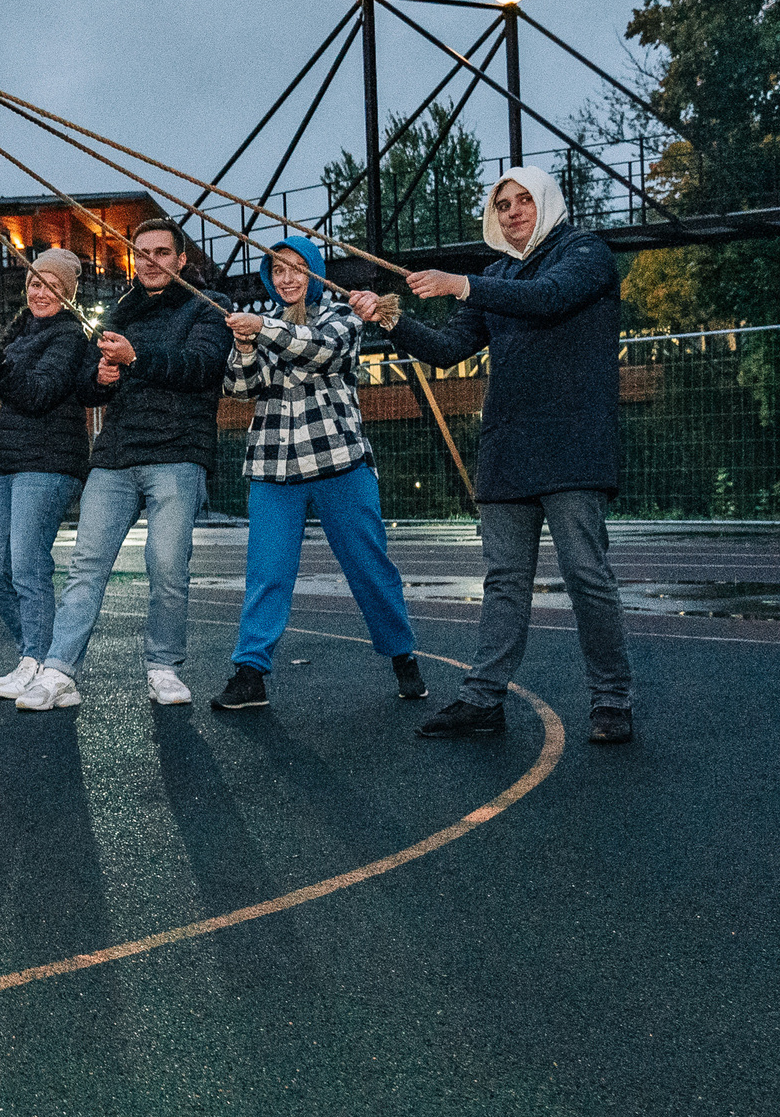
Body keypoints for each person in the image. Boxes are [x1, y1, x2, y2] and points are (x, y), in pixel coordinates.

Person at [352, 168, 634, 744]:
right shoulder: (497, 275)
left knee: (586, 575)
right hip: (508, 448)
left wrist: (460, 284)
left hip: (573, 444)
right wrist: (391, 319)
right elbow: (448, 350)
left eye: (524, 200)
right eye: (503, 205)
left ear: (547, 202)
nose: (513, 212)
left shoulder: (585, 253)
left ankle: (612, 700)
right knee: (504, 580)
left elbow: (549, 298)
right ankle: (483, 700)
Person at [20, 219, 231, 712]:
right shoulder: (121, 310)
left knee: (167, 566)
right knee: (85, 567)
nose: (151, 261)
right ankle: (59, 671)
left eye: (162, 252)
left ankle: (163, 668)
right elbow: (89, 390)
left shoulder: (208, 306)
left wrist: (136, 357)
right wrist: (101, 377)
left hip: (178, 453)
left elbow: (201, 368)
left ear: (182, 259)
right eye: (142, 253)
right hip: (116, 455)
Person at [214, 238, 427, 712]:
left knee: (369, 567)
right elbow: (239, 388)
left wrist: (262, 329)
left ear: (315, 273)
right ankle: (250, 672)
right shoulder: (264, 326)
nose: (287, 278)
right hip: (272, 467)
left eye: (297, 268)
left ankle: (402, 654)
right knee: (267, 573)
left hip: (339, 463)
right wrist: (244, 347)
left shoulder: (342, 317)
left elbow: (320, 351)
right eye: (278, 270)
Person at [0, 248, 94, 703]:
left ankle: (39, 660)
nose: (40, 293)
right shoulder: (21, 332)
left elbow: (40, 392)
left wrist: (4, 373)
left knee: (27, 566)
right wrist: (3, 379)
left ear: (68, 293)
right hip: (10, 462)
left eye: (52, 286)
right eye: (35, 284)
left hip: (48, 463)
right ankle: (34, 655)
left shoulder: (70, 337)